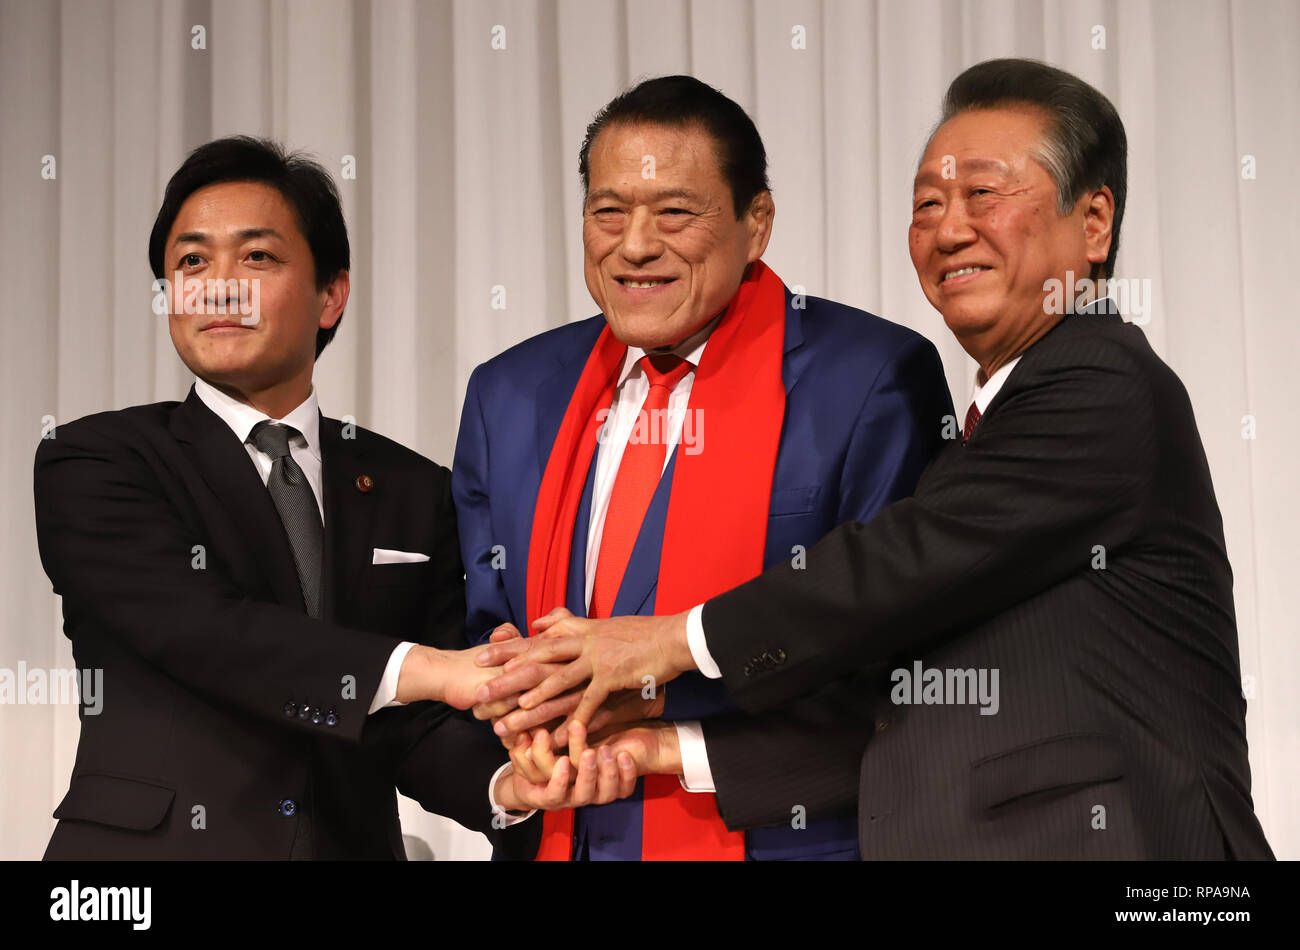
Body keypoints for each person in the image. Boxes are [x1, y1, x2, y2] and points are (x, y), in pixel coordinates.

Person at [480, 59, 1275, 860]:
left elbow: (893, 568)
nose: (949, 228)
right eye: (928, 202)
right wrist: (668, 749)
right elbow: (901, 685)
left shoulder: (1103, 381)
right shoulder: (1007, 416)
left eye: (985, 195)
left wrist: (663, 642)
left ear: (1094, 221)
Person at [34, 136, 609, 860]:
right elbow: (208, 632)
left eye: (257, 257)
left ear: (331, 293)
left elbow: (414, 722)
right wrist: (437, 668)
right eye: (191, 262)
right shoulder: (96, 460)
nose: (219, 286)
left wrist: (506, 786)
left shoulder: (410, 486)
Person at [456, 76, 953, 860]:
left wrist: (661, 708)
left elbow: (892, 653)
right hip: (561, 830)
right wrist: (517, 695)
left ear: (757, 223)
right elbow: (483, 624)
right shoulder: (510, 393)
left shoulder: (868, 379)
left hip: (771, 835)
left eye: (674, 213)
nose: (635, 244)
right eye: (608, 211)